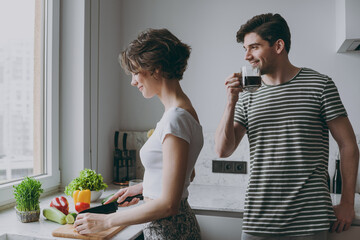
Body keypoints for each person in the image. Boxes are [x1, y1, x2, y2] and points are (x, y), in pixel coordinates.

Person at [215, 13, 359, 240]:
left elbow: (348, 145)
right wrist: (230, 102)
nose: (247, 56)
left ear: (278, 45)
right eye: (245, 49)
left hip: (309, 219)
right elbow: (223, 151)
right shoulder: (247, 95)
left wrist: (347, 202)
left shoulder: (320, 85)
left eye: (254, 47)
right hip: (258, 220)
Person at [74, 28, 203, 240]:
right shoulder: (184, 112)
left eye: (136, 72)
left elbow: (169, 205)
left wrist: (106, 221)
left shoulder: (175, 119)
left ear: (156, 69)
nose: (133, 81)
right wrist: (145, 189)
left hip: (169, 230)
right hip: (176, 226)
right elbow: (188, 173)